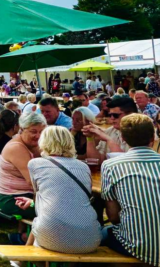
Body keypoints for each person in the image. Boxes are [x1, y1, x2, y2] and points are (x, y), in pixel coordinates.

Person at [13, 126, 102, 254]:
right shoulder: (83, 167)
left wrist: (32, 203)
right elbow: (71, 198)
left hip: (51, 234)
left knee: (43, 222)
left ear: (44, 142)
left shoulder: (35, 164)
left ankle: (21, 260)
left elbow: (40, 197)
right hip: (90, 239)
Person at [100, 113, 160, 265]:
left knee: (103, 232)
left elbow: (113, 217)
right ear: (153, 138)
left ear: (124, 139)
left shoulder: (111, 165)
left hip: (138, 247)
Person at [0, 112, 46, 244]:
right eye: (33, 131)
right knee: (52, 211)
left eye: (42, 131)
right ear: (22, 130)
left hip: (26, 195)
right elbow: (32, 181)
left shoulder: (31, 144)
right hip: (11, 198)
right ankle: (23, 240)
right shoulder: (16, 147)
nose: (38, 136)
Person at [84, 97, 137, 165]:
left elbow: (126, 164)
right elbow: (96, 161)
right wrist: (89, 137)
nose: (112, 118)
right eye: (110, 115)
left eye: (115, 115)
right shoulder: (110, 131)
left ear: (130, 115)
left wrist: (109, 140)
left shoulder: (141, 134)